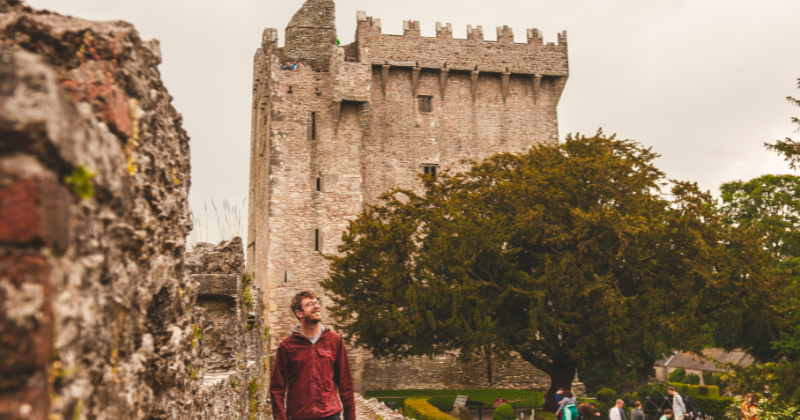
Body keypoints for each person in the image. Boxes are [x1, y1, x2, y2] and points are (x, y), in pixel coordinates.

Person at [269, 290, 355, 420]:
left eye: (316, 302)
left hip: (330, 414)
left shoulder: (334, 340)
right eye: (310, 304)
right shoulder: (287, 346)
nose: (316, 306)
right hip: (299, 415)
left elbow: (345, 383)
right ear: (299, 313)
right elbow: (277, 389)